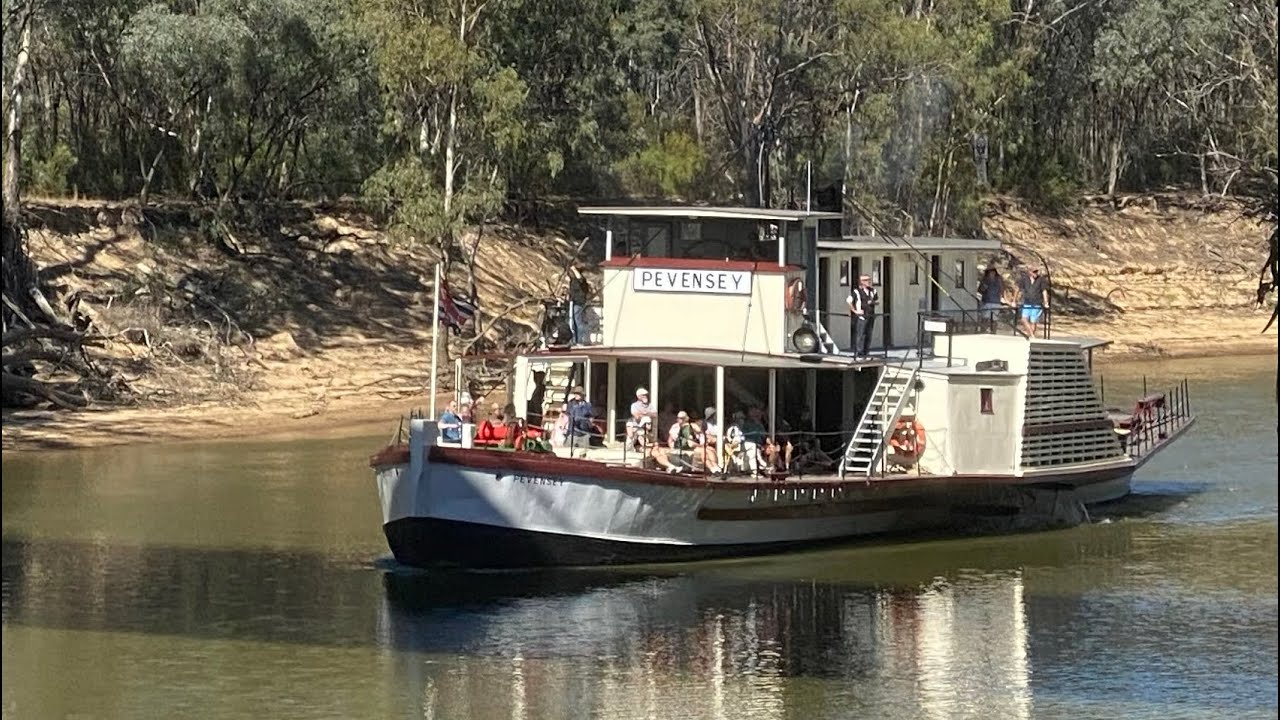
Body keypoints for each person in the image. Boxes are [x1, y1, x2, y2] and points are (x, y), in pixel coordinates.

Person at [846, 274, 879, 358]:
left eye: (869, 279)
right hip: (862, 317)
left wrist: (872, 303)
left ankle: (866, 352)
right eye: (866, 280)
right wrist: (855, 311)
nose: (869, 281)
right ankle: (859, 353)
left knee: (869, 334)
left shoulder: (873, 291)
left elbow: (876, 301)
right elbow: (849, 301)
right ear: (862, 282)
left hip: (870, 315)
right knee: (861, 334)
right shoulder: (856, 292)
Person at [1018, 266, 1049, 338]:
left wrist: (1046, 302)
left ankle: (1031, 336)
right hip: (1027, 302)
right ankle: (1032, 335)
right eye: (1034, 272)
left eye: (1036, 272)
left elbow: (1044, 291)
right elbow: (1019, 289)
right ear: (1030, 272)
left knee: (1033, 321)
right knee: (1024, 319)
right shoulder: (1025, 279)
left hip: (1037, 303)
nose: (1036, 273)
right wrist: (1015, 300)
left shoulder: (1041, 280)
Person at [567, 262, 591, 345]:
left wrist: (574, 269)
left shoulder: (581, 280)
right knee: (573, 322)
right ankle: (575, 340)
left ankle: (580, 341)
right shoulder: (573, 281)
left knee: (578, 322)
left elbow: (579, 277)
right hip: (573, 302)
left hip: (579, 302)